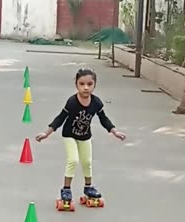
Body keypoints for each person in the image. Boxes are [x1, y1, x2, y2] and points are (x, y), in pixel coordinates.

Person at [35, 68, 126, 203]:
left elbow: (104, 119)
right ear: (76, 85)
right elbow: (60, 118)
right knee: (73, 160)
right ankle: (66, 189)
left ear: (94, 85)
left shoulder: (96, 102)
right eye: (81, 84)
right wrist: (46, 133)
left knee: (87, 162)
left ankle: (88, 188)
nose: (85, 88)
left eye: (90, 84)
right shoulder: (72, 102)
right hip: (69, 135)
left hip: (85, 136)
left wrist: (114, 131)